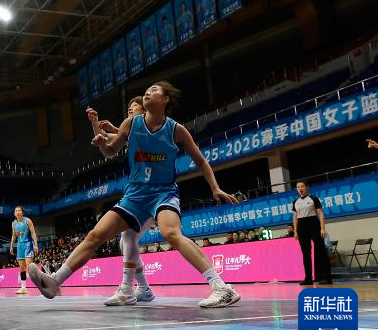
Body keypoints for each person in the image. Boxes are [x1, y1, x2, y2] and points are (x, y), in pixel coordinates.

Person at [28, 82, 242, 308]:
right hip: (135, 196)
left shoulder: (176, 130)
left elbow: (200, 161)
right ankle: (54, 281)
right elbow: (110, 151)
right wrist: (101, 143)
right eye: (147, 90)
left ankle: (221, 288)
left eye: (155, 90)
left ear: (166, 99)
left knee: (171, 233)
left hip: (163, 194)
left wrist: (215, 188)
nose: (148, 92)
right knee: (95, 235)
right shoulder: (131, 123)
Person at [87, 96, 156, 306]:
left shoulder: (154, 128)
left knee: (128, 235)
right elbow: (106, 141)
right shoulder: (130, 131)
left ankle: (127, 288)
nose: (129, 110)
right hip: (140, 196)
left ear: (144, 111)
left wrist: (117, 129)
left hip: (155, 196)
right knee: (125, 240)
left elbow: (136, 137)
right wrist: (95, 123)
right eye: (127, 108)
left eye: (133, 107)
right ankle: (144, 288)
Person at [292, 181, 332, 285]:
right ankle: (308, 278)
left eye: (302, 186)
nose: (300, 188)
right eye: (298, 187)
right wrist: (295, 231)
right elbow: (295, 217)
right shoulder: (295, 201)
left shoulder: (313, 198)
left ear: (307, 187)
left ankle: (326, 277)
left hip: (313, 224)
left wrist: (322, 228)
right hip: (301, 226)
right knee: (305, 253)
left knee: (320, 251)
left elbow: (320, 213)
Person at [9, 207, 38, 295]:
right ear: (14, 213)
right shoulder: (13, 223)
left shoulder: (27, 221)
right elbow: (14, 236)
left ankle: (41, 283)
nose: (18, 212)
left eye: (19, 210)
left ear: (22, 212)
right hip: (19, 245)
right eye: (16, 211)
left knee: (29, 266)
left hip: (28, 244)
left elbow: (33, 233)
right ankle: (23, 288)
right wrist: (11, 246)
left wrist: (36, 245)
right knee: (22, 268)